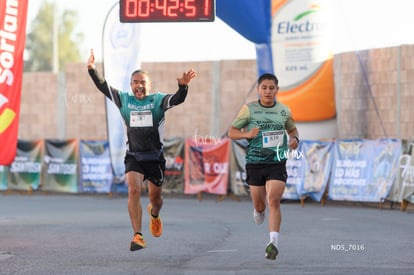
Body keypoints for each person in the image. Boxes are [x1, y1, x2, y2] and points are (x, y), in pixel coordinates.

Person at [87, 49, 196, 252]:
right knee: (133, 189)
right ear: (131, 85)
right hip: (134, 157)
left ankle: (154, 214)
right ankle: (137, 235)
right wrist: (92, 69)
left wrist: (182, 87)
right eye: (136, 82)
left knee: (156, 199)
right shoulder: (124, 100)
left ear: (149, 85)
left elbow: (178, 99)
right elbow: (103, 87)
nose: (139, 86)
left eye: (143, 82)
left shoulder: (158, 101)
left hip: (154, 158)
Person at [228, 73, 299, 260]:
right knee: (260, 205)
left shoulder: (284, 110)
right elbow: (232, 132)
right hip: (255, 163)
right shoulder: (249, 110)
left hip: (277, 161)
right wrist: (247, 134)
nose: (268, 91)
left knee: (274, 200)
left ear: (277, 90)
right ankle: (258, 209)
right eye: (264, 88)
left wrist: (295, 139)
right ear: (259, 89)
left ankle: (273, 242)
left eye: (271, 88)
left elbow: (292, 130)